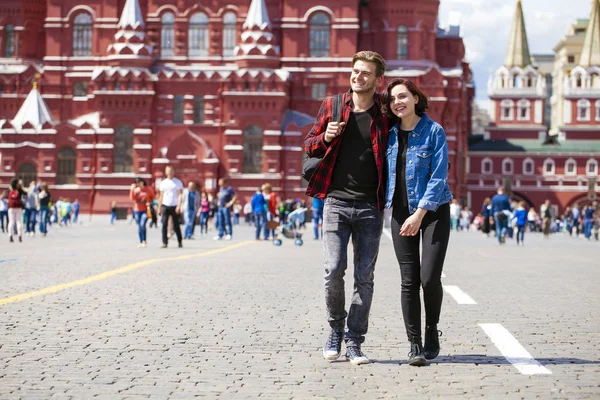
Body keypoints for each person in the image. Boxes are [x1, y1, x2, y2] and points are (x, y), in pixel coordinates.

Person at [304, 51, 388, 365]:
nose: (358, 77)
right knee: (332, 270)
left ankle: (355, 340)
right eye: (355, 71)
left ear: (378, 80)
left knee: (364, 278)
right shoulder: (333, 106)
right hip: (335, 201)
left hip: (370, 205)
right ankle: (335, 330)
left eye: (365, 73)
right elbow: (310, 144)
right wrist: (324, 136)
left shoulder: (385, 111)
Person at [382, 78, 453, 367]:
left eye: (403, 96)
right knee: (408, 281)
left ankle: (430, 331)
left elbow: (439, 177)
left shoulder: (434, 131)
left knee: (429, 278)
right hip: (400, 213)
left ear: (415, 97)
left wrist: (419, 213)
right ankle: (414, 344)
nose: (397, 102)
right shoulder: (388, 135)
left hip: (433, 212)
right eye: (392, 99)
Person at [157, 166, 184, 248]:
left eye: (171, 171)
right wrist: (159, 208)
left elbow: (180, 195)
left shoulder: (178, 182)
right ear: (165, 172)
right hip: (165, 205)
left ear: (174, 171)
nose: (169, 172)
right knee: (164, 224)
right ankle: (164, 242)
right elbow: (161, 196)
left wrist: (179, 206)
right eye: (168, 171)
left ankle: (179, 241)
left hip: (174, 206)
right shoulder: (163, 183)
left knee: (176, 225)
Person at [130, 177, 155, 247]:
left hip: (145, 210)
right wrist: (131, 190)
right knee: (139, 226)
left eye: (139, 182)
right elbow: (132, 198)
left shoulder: (148, 189)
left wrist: (149, 202)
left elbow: (153, 197)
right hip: (137, 210)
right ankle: (141, 241)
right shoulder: (135, 190)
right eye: (136, 183)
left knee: (142, 224)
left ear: (142, 182)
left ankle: (144, 240)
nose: (138, 184)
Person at [6, 178, 26, 242]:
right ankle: (20, 236)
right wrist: (21, 186)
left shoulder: (9, 190)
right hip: (18, 207)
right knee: (19, 222)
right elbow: (25, 193)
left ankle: (10, 236)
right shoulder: (19, 190)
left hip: (11, 207)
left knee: (11, 222)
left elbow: (6, 196)